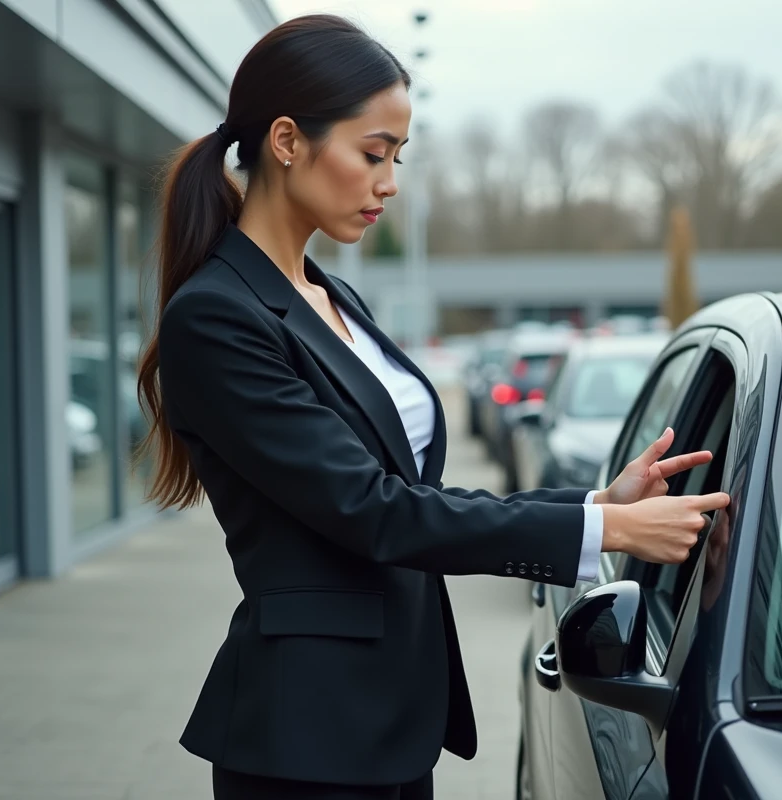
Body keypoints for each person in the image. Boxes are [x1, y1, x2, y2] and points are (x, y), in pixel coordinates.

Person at [135, 14, 730, 800]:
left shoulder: (329, 296)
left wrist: (595, 503)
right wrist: (607, 535)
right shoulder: (217, 317)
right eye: (372, 153)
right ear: (286, 141)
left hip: (389, 717)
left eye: (398, 157)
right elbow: (373, 510)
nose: (389, 182)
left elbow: (415, 492)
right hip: (306, 735)